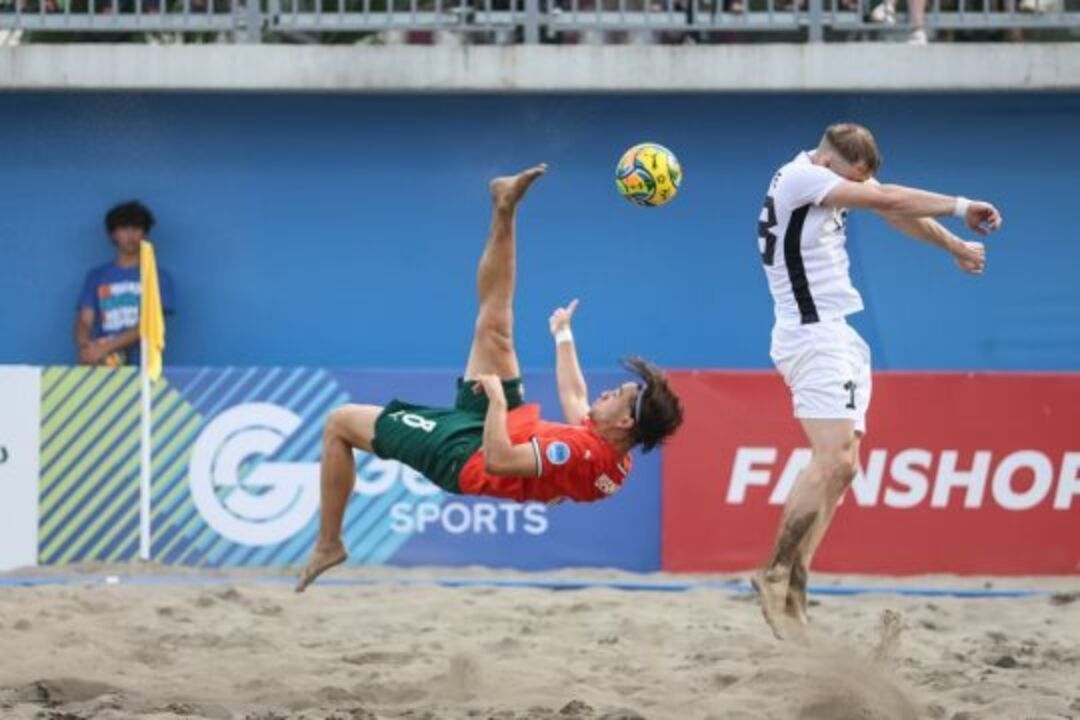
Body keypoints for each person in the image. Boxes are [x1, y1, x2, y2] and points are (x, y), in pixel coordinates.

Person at [296, 164, 683, 592]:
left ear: (626, 420)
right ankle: (505, 206)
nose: (607, 391)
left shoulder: (580, 452)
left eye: (618, 394)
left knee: (338, 423)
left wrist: (498, 402)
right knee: (495, 323)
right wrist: (563, 334)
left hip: (467, 456)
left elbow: (499, 461)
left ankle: (329, 544)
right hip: (505, 426)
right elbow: (576, 397)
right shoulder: (616, 456)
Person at [752, 123, 1002, 640]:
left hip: (836, 334)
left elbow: (890, 209)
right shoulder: (800, 177)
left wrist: (954, 245)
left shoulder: (825, 178)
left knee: (846, 467)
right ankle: (774, 572)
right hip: (810, 335)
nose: (858, 191)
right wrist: (960, 206)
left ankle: (797, 578)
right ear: (828, 164)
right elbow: (887, 198)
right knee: (830, 459)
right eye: (853, 182)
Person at [75, 200, 176, 368]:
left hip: (145, 368)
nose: (131, 235)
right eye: (123, 228)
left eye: (136, 228)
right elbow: (84, 320)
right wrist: (86, 347)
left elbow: (150, 325)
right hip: (103, 367)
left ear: (145, 233)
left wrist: (105, 347)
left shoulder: (158, 277)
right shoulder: (96, 277)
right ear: (112, 234)